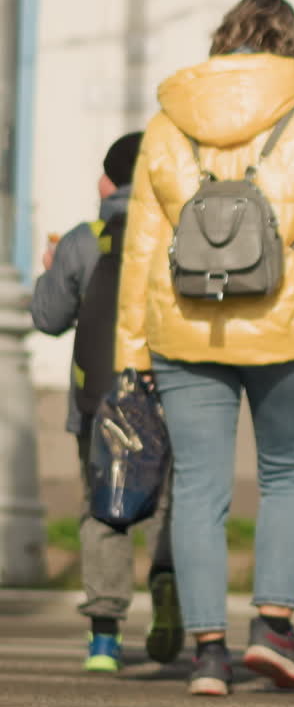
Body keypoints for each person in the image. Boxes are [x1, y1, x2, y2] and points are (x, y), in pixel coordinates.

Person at [115, 0, 294, 697]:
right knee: (289, 472)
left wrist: (132, 350)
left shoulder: (168, 124)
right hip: (291, 325)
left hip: (184, 324)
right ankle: (273, 627)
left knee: (200, 485)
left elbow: (143, 246)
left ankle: (208, 653)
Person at [31, 133, 182, 674]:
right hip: (168, 394)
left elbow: (47, 318)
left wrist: (52, 270)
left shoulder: (81, 240)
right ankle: (167, 582)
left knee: (104, 507)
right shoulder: (175, 234)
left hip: (98, 399)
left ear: (107, 181)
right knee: (167, 505)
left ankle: (104, 637)